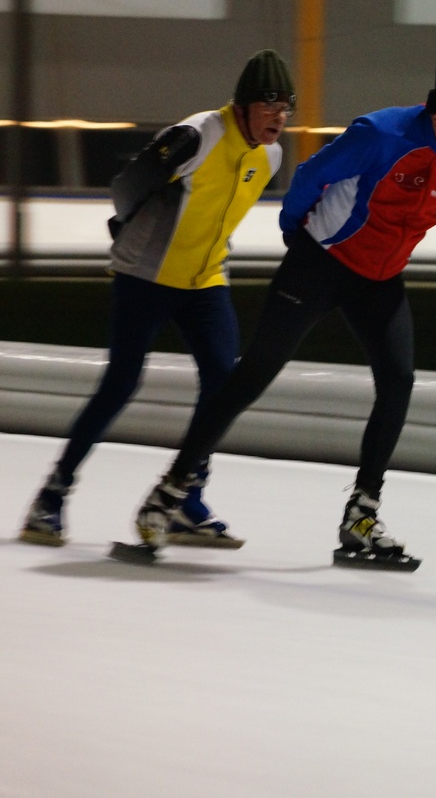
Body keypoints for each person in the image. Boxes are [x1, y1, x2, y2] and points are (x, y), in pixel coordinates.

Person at [126, 54, 436, 569]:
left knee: (398, 379)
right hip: (320, 261)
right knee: (255, 372)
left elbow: (417, 220)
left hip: (379, 279)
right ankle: (169, 491)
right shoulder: (380, 134)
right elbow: (309, 176)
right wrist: (295, 234)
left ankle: (362, 515)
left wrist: (384, 260)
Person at [19, 48, 296, 549]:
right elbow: (127, 185)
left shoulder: (270, 156)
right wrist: (127, 228)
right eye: (269, 106)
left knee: (224, 385)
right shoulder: (196, 135)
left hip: (205, 282)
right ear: (243, 105)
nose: (278, 118)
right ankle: (51, 496)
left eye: (285, 109)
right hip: (145, 277)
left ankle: (186, 500)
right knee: (120, 384)